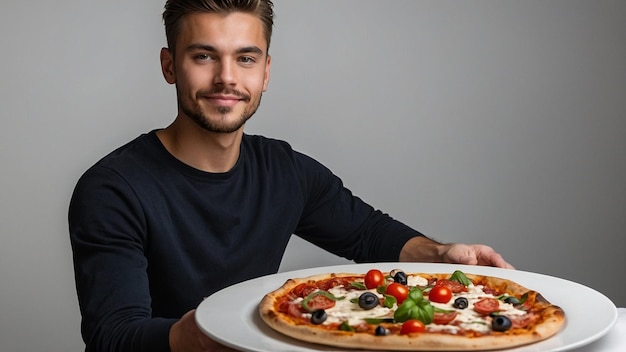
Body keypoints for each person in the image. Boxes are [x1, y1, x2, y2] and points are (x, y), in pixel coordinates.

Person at [68, 0, 514, 351]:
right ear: (169, 66)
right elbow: (113, 336)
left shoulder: (284, 170)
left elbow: (368, 233)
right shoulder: (111, 189)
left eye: (245, 59)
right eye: (204, 56)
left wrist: (442, 254)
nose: (227, 78)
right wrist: (195, 336)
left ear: (265, 72)